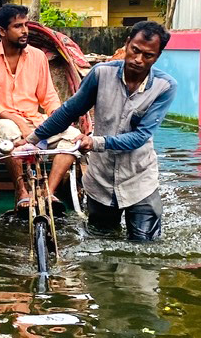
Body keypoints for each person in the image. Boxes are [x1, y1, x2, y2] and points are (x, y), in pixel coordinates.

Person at [17, 20, 176, 241]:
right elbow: (68, 112)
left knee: (144, 249)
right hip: (101, 180)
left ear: (158, 56)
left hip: (139, 180)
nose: (138, 60)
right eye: (135, 50)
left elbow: (141, 136)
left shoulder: (165, 87)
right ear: (127, 44)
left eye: (148, 56)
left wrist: (96, 142)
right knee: (101, 243)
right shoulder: (101, 74)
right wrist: (33, 140)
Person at [0, 5, 80, 209]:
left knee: (73, 136)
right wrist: (19, 122)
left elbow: (48, 96)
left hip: (36, 121)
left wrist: (58, 117)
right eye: (18, 26)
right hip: (1, 122)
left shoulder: (38, 56)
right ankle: (21, 190)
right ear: (2, 31)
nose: (25, 31)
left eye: (26, 25)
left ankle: (49, 191)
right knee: (8, 129)